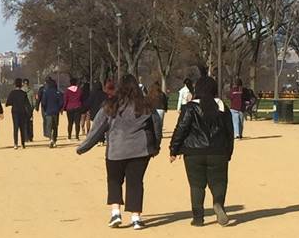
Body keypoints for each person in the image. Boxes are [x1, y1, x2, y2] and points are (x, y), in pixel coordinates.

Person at [76, 73, 162, 229]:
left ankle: (115, 213)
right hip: (140, 150)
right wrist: (156, 146)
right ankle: (136, 217)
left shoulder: (110, 105)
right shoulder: (145, 105)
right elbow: (156, 125)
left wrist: (84, 147)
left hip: (116, 150)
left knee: (114, 180)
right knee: (135, 182)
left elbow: (97, 129)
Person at [169, 74, 235, 226]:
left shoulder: (190, 108)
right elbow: (229, 132)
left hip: (193, 152)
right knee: (219, 182)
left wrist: (174, 149)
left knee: (197, 185)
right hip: (218, 151)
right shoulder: (223, 107)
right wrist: (228, 152)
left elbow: (181, 129)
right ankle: (218, 203)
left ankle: (198, 218)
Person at [6, 77, 33, 149]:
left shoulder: (12, 93)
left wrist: (13, 102)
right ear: (21, 85)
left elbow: (8, 103)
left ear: (15, 84)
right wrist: (30, 114)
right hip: (22, 111)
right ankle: (23, 143)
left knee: (15, 127)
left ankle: (15, 143)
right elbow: (28, 105)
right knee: (22, 128)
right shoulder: (23, 93)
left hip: (15, 111)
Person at [38, 75, 63, 146]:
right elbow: (61, 102)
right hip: (55, 112)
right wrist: (59, 108)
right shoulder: (58, 92)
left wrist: (44, 109)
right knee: (55, 126)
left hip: (48, 111)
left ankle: (51, 139)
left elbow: (43, 102)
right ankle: (54, 140)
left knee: (49, 125)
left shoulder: (46, 92)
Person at [63, 76, 83, 140]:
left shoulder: (67, 91)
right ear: (76, 83)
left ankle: (69, 136)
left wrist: (64, 108)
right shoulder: (79, 90)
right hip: (77, 107)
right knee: (77, 123)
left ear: (70, 83)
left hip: (69, 108)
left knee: (70, 123)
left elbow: (65, 100)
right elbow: (81, 99)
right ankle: (77, 136)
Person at [227, 75, 246, 139]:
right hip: (241, 108)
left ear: (235, 84)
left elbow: (229, 97)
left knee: (235, 122)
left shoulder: (233, 90)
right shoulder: (244, 90)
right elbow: (246, 98)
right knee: (241, 122)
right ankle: (240, 134)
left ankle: (236, 134)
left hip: (234, 107)